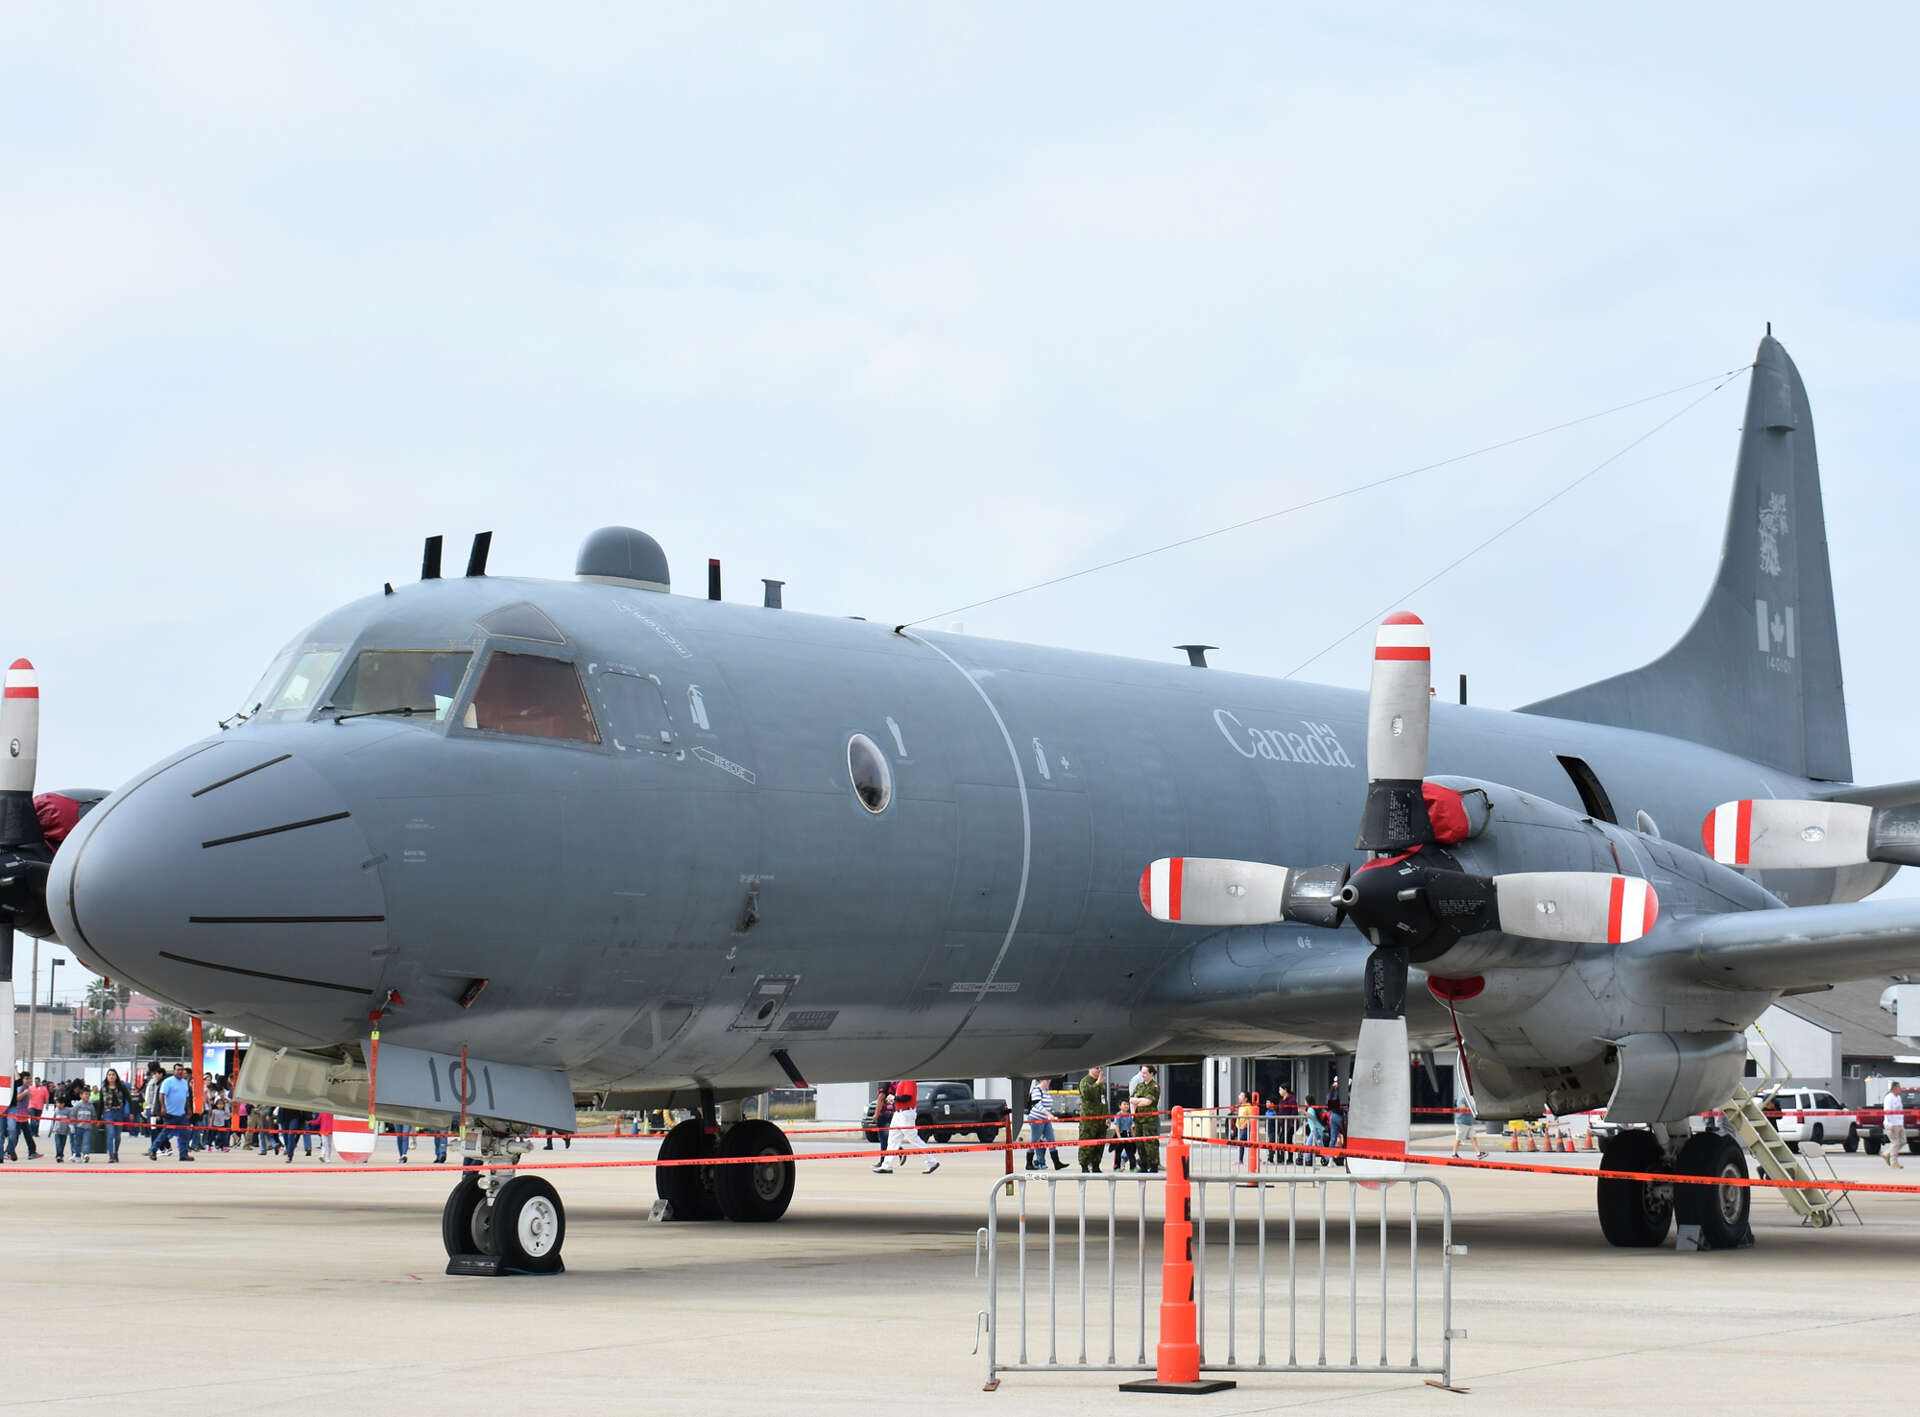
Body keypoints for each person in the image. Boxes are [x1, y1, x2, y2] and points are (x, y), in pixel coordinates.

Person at [872, 1077, 939, 1175]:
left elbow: (907, 1097)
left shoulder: (909, 1081)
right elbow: (901, 1097)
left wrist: (894, 1098)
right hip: (898, 1113)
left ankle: (932, 1161)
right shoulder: (901, 1081)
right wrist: (893, 1099)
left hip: (906, 1113)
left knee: (914, 1139)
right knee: (892, 1140)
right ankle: (887, 1166)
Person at [154, 1063, 194, 1162]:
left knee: (185, 1134)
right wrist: (163, 1108)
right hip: (170, 1114)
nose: (180, 1072)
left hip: (181, 1114)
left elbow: (187, 1097)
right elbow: (161, 1095)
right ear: (174, 1071)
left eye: (182, 1070)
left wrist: (189, 1110)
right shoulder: (168, 1082)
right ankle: (153, 1151)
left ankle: (183, 1155)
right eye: (178, 1070)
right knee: (164, 1134)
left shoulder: (185, 1083)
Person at [1025, 1078, 1065, 1171]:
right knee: (1034, 1141)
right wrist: (1050, 1115)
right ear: (1041, 1080)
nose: (1049, 1082)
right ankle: (1029, 1163)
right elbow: (1038, 1105)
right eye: (1047, 1080)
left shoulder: (1046, 1091)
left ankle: (1057, 1163)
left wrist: (1049, 1116)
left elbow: (1048, 1105)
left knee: (1051, 1139)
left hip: (1045, 1119)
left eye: (1049, 1080)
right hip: (1036, 1119)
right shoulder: (1036, 1090)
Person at [1077, 1068, 1108, 1172]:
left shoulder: (1102, 1084)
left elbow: (1104, 1100)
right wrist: (1097, 1083)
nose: (1099, 1070)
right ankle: (1084, 1165)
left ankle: (1096, 1165)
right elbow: (1087, 1094)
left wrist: (1107, 1117)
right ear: (1090, 1069)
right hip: (1089, 1120)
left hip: (1100, 1119)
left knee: (1099, 1144)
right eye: (1096, 1068)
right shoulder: (1085, 1081)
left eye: (1100, 1068)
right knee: (1087, 1143)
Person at [1131, 1066, 1160, 1173]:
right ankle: (1143, 1165)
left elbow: (1148, 1102)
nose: (1142, 1075)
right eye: (1141, 1073)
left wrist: (1138, 1101)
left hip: (1149, 1120)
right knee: (1140, 1143)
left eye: (1145, 1073)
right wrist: (1139, 1101)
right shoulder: (1139, 1085)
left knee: (1150, 1143)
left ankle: (1153, 1165)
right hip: (1138, 1119)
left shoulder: (1154, 1086)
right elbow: (1131, 1100)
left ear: (1151, 1074)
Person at [99, 1069, 130, 1164]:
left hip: (119, 1112)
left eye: (113, 1074)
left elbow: (129, 1098)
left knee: (117, 1136)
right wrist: (98, 1117)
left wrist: (131, 1112)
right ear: (107, 1077)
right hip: (108, 1113)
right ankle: (111, 1156)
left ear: (116, 1076)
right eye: (109, 1075)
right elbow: (101, 1103)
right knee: (111, 1133)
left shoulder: (121, 1087)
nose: (111, 1076)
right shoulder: (103, 1088)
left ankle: (116, 1152)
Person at [1883, 1083, 1907, 1169]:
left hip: (1899, 1123)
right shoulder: (1889, 1097)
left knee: (1903, 1141)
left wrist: (1902, 1122)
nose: (1901, 1089)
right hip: (1891, 1124)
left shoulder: (1898, 1097)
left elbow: (1900, 1110)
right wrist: (1890, 1124)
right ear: (1895, 1088)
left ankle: (1887, 1153)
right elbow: (1887, 1111)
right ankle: (1894, 1162)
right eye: (1899, 1087)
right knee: (1896, 1143)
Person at [69, 1087, 96, 1164]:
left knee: (86, 1142)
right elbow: (73, 1116)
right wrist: (72, 1126)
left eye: (88, 1094)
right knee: (78, 1142)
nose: (87, 1096)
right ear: (81, 1095)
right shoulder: (77, 1106)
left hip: (87, 1128)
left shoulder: (91, 1106)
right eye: (85, 1094)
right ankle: (77, 1155)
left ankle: (86, 1155)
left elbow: (93, 1115)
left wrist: (94, 1121)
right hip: (78, 1127)